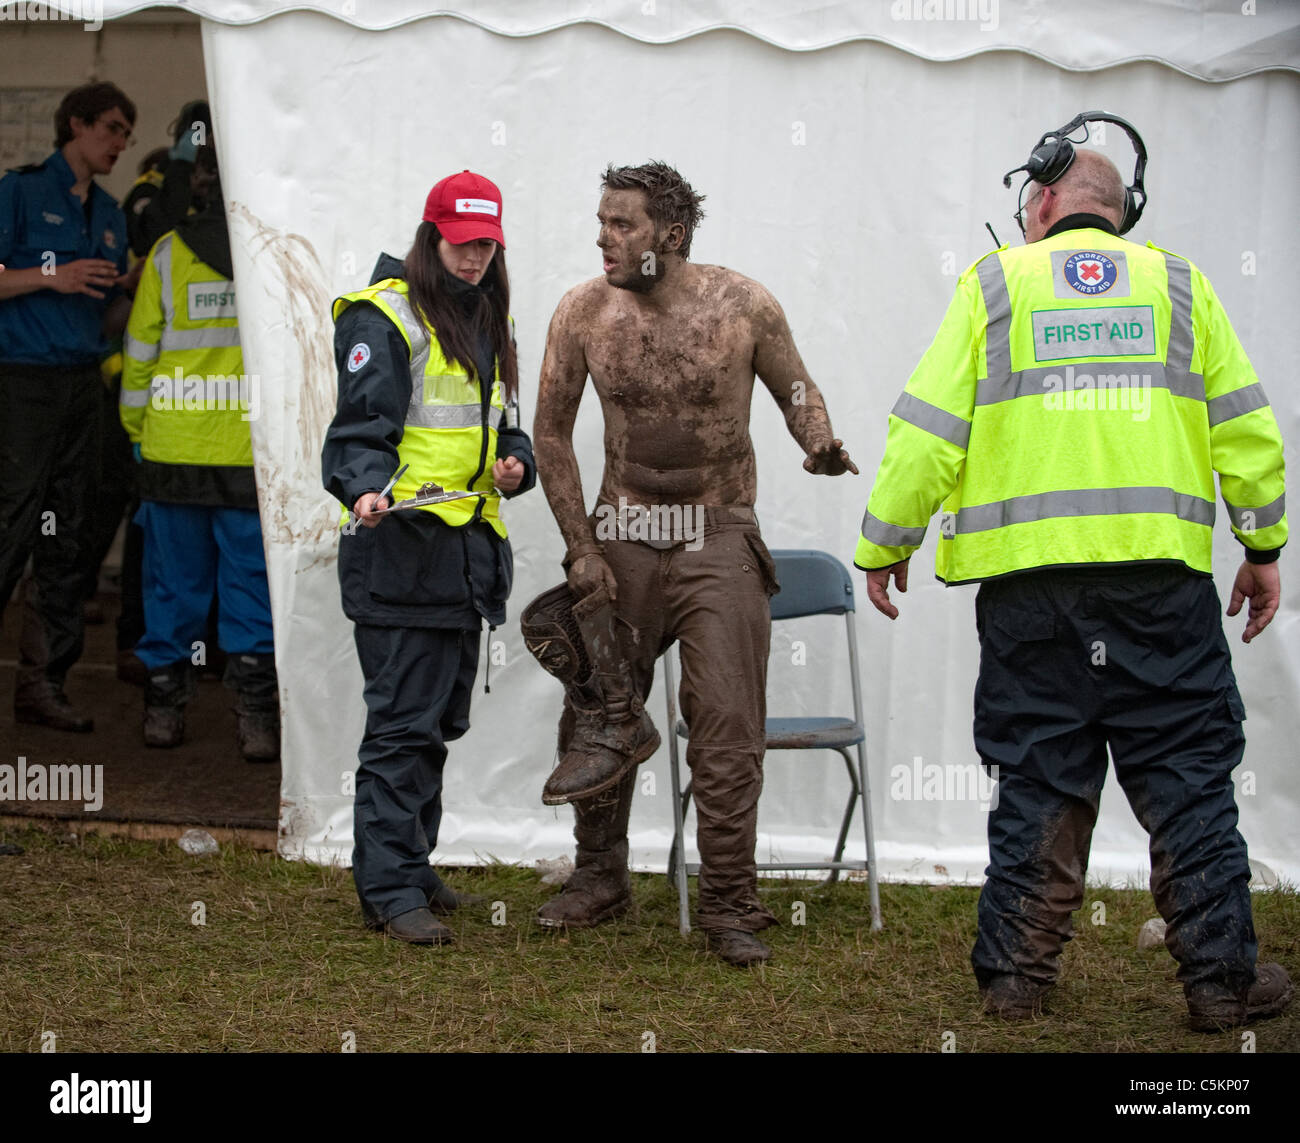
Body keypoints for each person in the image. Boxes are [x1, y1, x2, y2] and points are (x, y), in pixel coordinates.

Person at [854, 130, 1290, 1031]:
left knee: (1040, 774)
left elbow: (929, 429)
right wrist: (1262, 542)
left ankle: (1017, 977)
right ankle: (1218, 984)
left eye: (1026, 202)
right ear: (1123, 209)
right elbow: (1244, 425)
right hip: (1159, 587)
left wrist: (885, 543)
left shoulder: (994, 285)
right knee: (1186, 780)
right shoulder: (1180, 284)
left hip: (1030, 597)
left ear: (1047, 199)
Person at [525, 161, 857, 967]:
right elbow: (550, 434)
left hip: (718, 535)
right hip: (622, 534)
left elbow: (797, 390)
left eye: (622, 224)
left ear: (669, 236)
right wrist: (580, 548)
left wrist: (818, 439)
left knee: (727, 723)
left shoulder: (741, 305)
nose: (603, 237)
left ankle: (730, 901)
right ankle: (601, 876)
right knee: (600, 710)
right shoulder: (581, 313)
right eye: (600, 220)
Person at [322, 170, 536, 945]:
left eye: (487, 244)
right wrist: (364, 488)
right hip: (400, 553)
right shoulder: (384, 318)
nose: (475, 256)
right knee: (402, 727)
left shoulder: (487, 318)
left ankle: (411, 865)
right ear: (431, 234)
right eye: (462, 241)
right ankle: (386, 891)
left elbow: (504, 426)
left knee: (438, 723)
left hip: (465, 558)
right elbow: (357, 432)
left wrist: (516, 463)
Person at [119, 145, 280, 761]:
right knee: (250, 589)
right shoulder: (268, 253)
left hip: (172, 453)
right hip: (248, 454)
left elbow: (139, 355)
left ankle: (163, 711)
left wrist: (138, 431)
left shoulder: (165, 255)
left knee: (173, 589)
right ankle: (257, 719)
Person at [0, 81, 137, 732]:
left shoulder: (111, 215)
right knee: (12, 526)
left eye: (126, 135)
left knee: (67, 533)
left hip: (83, 383)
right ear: (75, 125)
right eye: (112, 128)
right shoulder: (20, 191)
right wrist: (52, 276)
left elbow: (104, 314)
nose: (120, 143)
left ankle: (43, 683)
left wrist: (131, 290)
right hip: (22, 382)